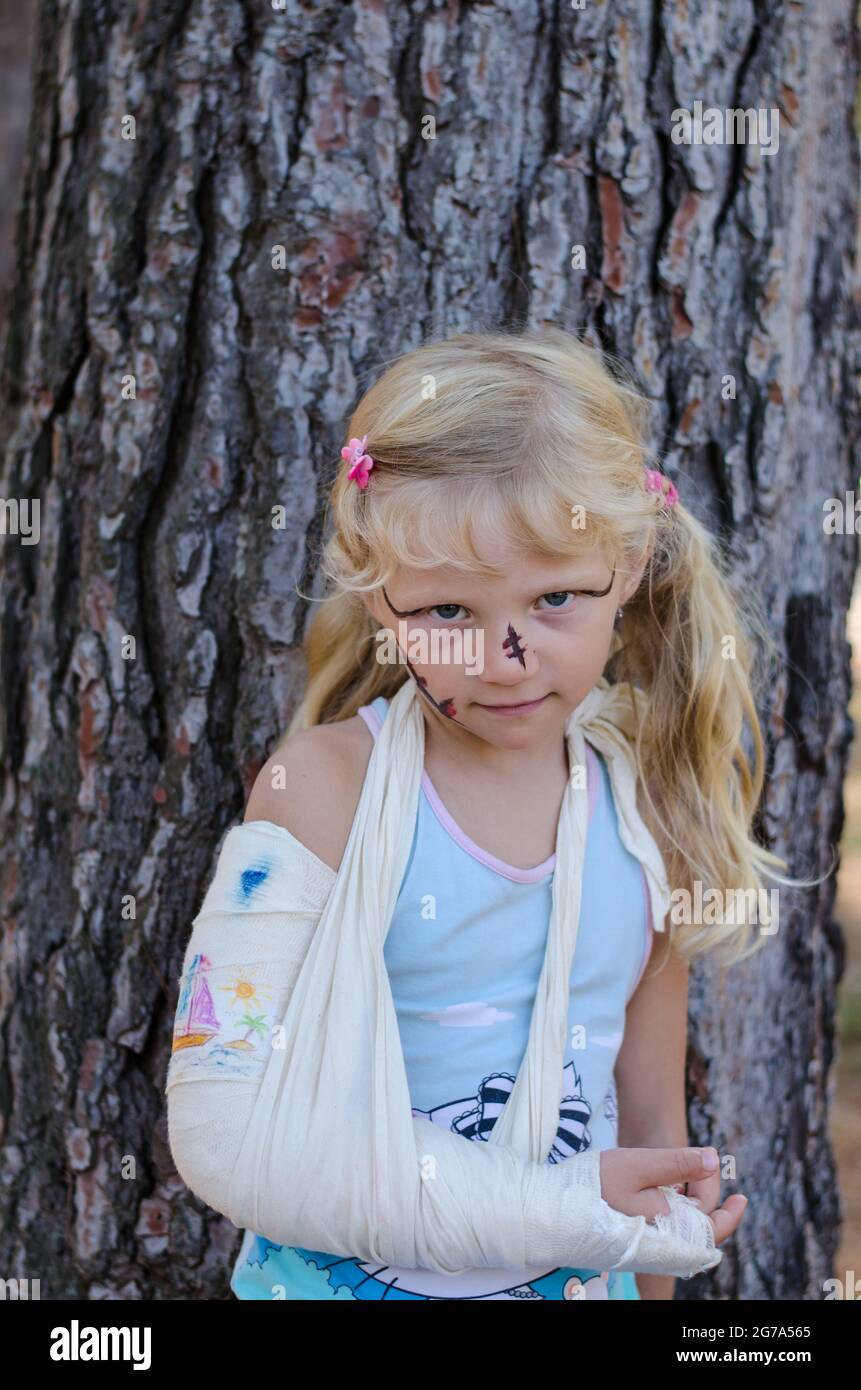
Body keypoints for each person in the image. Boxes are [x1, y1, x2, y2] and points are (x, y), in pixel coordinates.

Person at [167, 326, 806, 1301]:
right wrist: (547, 1205)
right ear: (380, 598)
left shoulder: (649, 818)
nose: (505, 657)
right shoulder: (326, 788)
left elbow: (649, 1125)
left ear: (627, 567)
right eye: (450, 613)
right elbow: (224, 1132)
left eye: (554, 598)